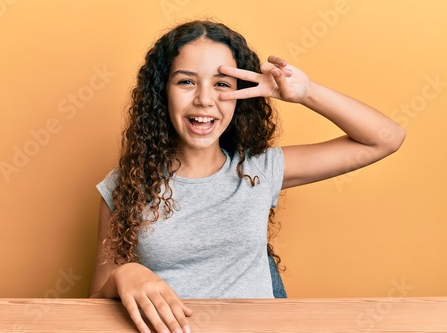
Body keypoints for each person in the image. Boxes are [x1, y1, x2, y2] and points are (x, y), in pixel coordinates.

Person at [89, 20, 405, 333]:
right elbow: (95, 299)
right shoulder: (126, 183)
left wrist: (306, 93)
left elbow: (385, 138)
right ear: (162, 92)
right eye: (186, 82)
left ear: (241, 94)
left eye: (222, 84)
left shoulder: (260, 170)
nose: (204, 99)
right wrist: (122, 275)